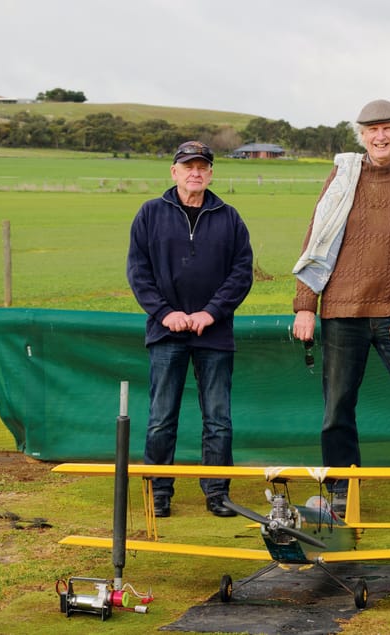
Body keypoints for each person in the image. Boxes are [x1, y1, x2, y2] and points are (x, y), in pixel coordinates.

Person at [291, 99, 390, 523]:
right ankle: (340, 492)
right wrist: (305, 305)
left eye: (388, 128)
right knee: (337, 408)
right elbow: (316, 241)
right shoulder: (343, 176)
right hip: (342, 311)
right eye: (371, 130)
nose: (379, 136)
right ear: (360, 135)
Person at [127, 141, 254, 518]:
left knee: (218, 419)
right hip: (166, 333)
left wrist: (210, 313)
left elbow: (241, 273)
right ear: (174, 171)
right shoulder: (150, 214)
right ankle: (159, 491)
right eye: (188, 166)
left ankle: (217, 493)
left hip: (213, 334)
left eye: (202, 166)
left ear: (211, 173)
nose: (195, 172)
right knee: (161, 416)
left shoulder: (229, 218)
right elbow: (138, 271)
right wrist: (165, 313)